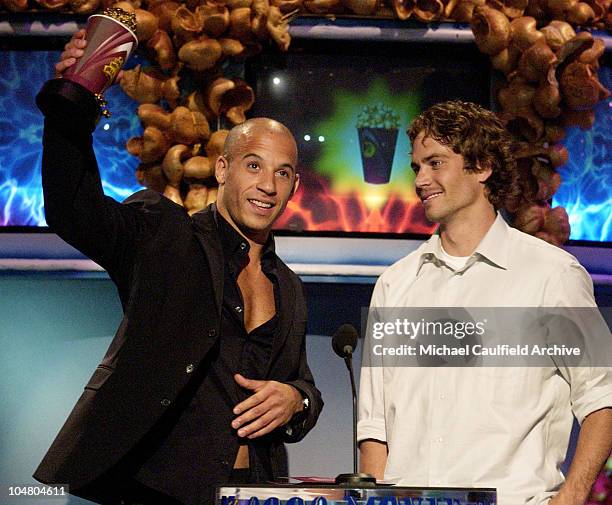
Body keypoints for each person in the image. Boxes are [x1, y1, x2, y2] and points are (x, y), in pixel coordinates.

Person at [33, 31, 323, 505]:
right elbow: (73, 208)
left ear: (293, 188)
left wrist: (298, 401)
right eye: (254, 166)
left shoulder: (287, 287)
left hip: (253, 492)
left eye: (283, 173)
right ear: (224, 169)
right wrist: (75, 101)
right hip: (153, 490)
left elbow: (301, 382)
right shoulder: (164, 235)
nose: (268, 185)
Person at [357, 100, 612, 505]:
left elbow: (602, 396)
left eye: (435, 163)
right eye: (416, 167)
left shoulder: (550, 275)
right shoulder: (396, 284)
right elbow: (375, 429)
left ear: (482, 166)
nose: (421, 180)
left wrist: (573, 494)